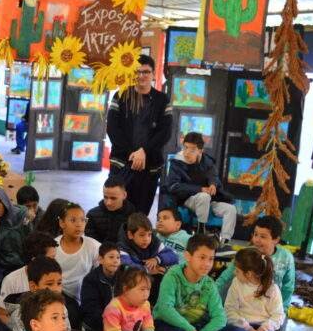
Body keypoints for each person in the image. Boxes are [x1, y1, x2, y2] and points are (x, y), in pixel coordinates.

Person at [152, 234, 253, 331]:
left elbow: (220, 317)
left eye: (211, 259)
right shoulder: (172, 276)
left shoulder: (209, 284)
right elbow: (165, 309)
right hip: (168, 325)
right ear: (188, 256)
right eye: (202, 258)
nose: (207, 264)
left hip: (195, 329)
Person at [104, 54, 173, 214]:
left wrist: (144, 151)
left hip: (149, 166)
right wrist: (133, 154)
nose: (141, 76)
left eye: (146, 72)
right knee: (116, 210)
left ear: (153, 74)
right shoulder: (120, 95)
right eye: (137, 72)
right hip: (122, 163)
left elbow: (165, 132)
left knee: (141, 213)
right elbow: (112, 129)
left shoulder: (162, 100)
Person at [163, 131, 237, 249]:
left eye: (192, 150)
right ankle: (201, 232)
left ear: (200, 151)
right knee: (204, 196)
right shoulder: (177, 162)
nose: (187, 152)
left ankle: (225, 242)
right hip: (187, 199)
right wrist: (200, 189)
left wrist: (213, 184)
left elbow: (213, 176)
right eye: (185, 147)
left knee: (231, 209)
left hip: (208, 201)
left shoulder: (207, 161)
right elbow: (173, 186)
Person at [215, 215, 296, 312]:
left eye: (263, 236)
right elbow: (225, 278)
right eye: (255, 234)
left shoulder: (286, 258)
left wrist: (283, 310)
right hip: (243, 307)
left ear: (276, 240)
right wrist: (211, 295)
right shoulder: (245, 254)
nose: (256, 240)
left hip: (269, 309)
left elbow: (288, 287)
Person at [0, 231, 58, 326]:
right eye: (51, 259)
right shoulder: (11, 280)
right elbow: (1, 313)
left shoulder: (55, 277)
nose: (55, 263)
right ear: (35, 260)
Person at [53, 201, 100, 327]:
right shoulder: (53, 247)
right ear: (62, 223)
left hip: (86, 295)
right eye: (73, 220)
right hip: (61, 295)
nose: (79, 224)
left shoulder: (92, 246)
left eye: (82, 220)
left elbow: (103, 269)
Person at [117, 213, 179, 285]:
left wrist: (157, 259)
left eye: (149, 234)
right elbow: (127, 267)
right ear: (130, 235)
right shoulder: (122, 247)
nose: (146, 239)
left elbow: (174, 256)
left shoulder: (154, 242)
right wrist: (147, 270)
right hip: (132, 284)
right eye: (142, 235)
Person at [80, 242, 122, 331]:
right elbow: (90, 308)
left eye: (118, 258)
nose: (115, 261)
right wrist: (111, 321)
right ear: (101, 259)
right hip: (96, 326)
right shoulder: (90, 280)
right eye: (111, 257)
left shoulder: (123, 277)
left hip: (118, 323)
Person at [85, 177, 137, 245]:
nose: (108, 203)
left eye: (113, 198)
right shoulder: (92, 215)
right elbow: (91, 243)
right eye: (105, 197)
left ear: (124, 195)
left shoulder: (134, 217)